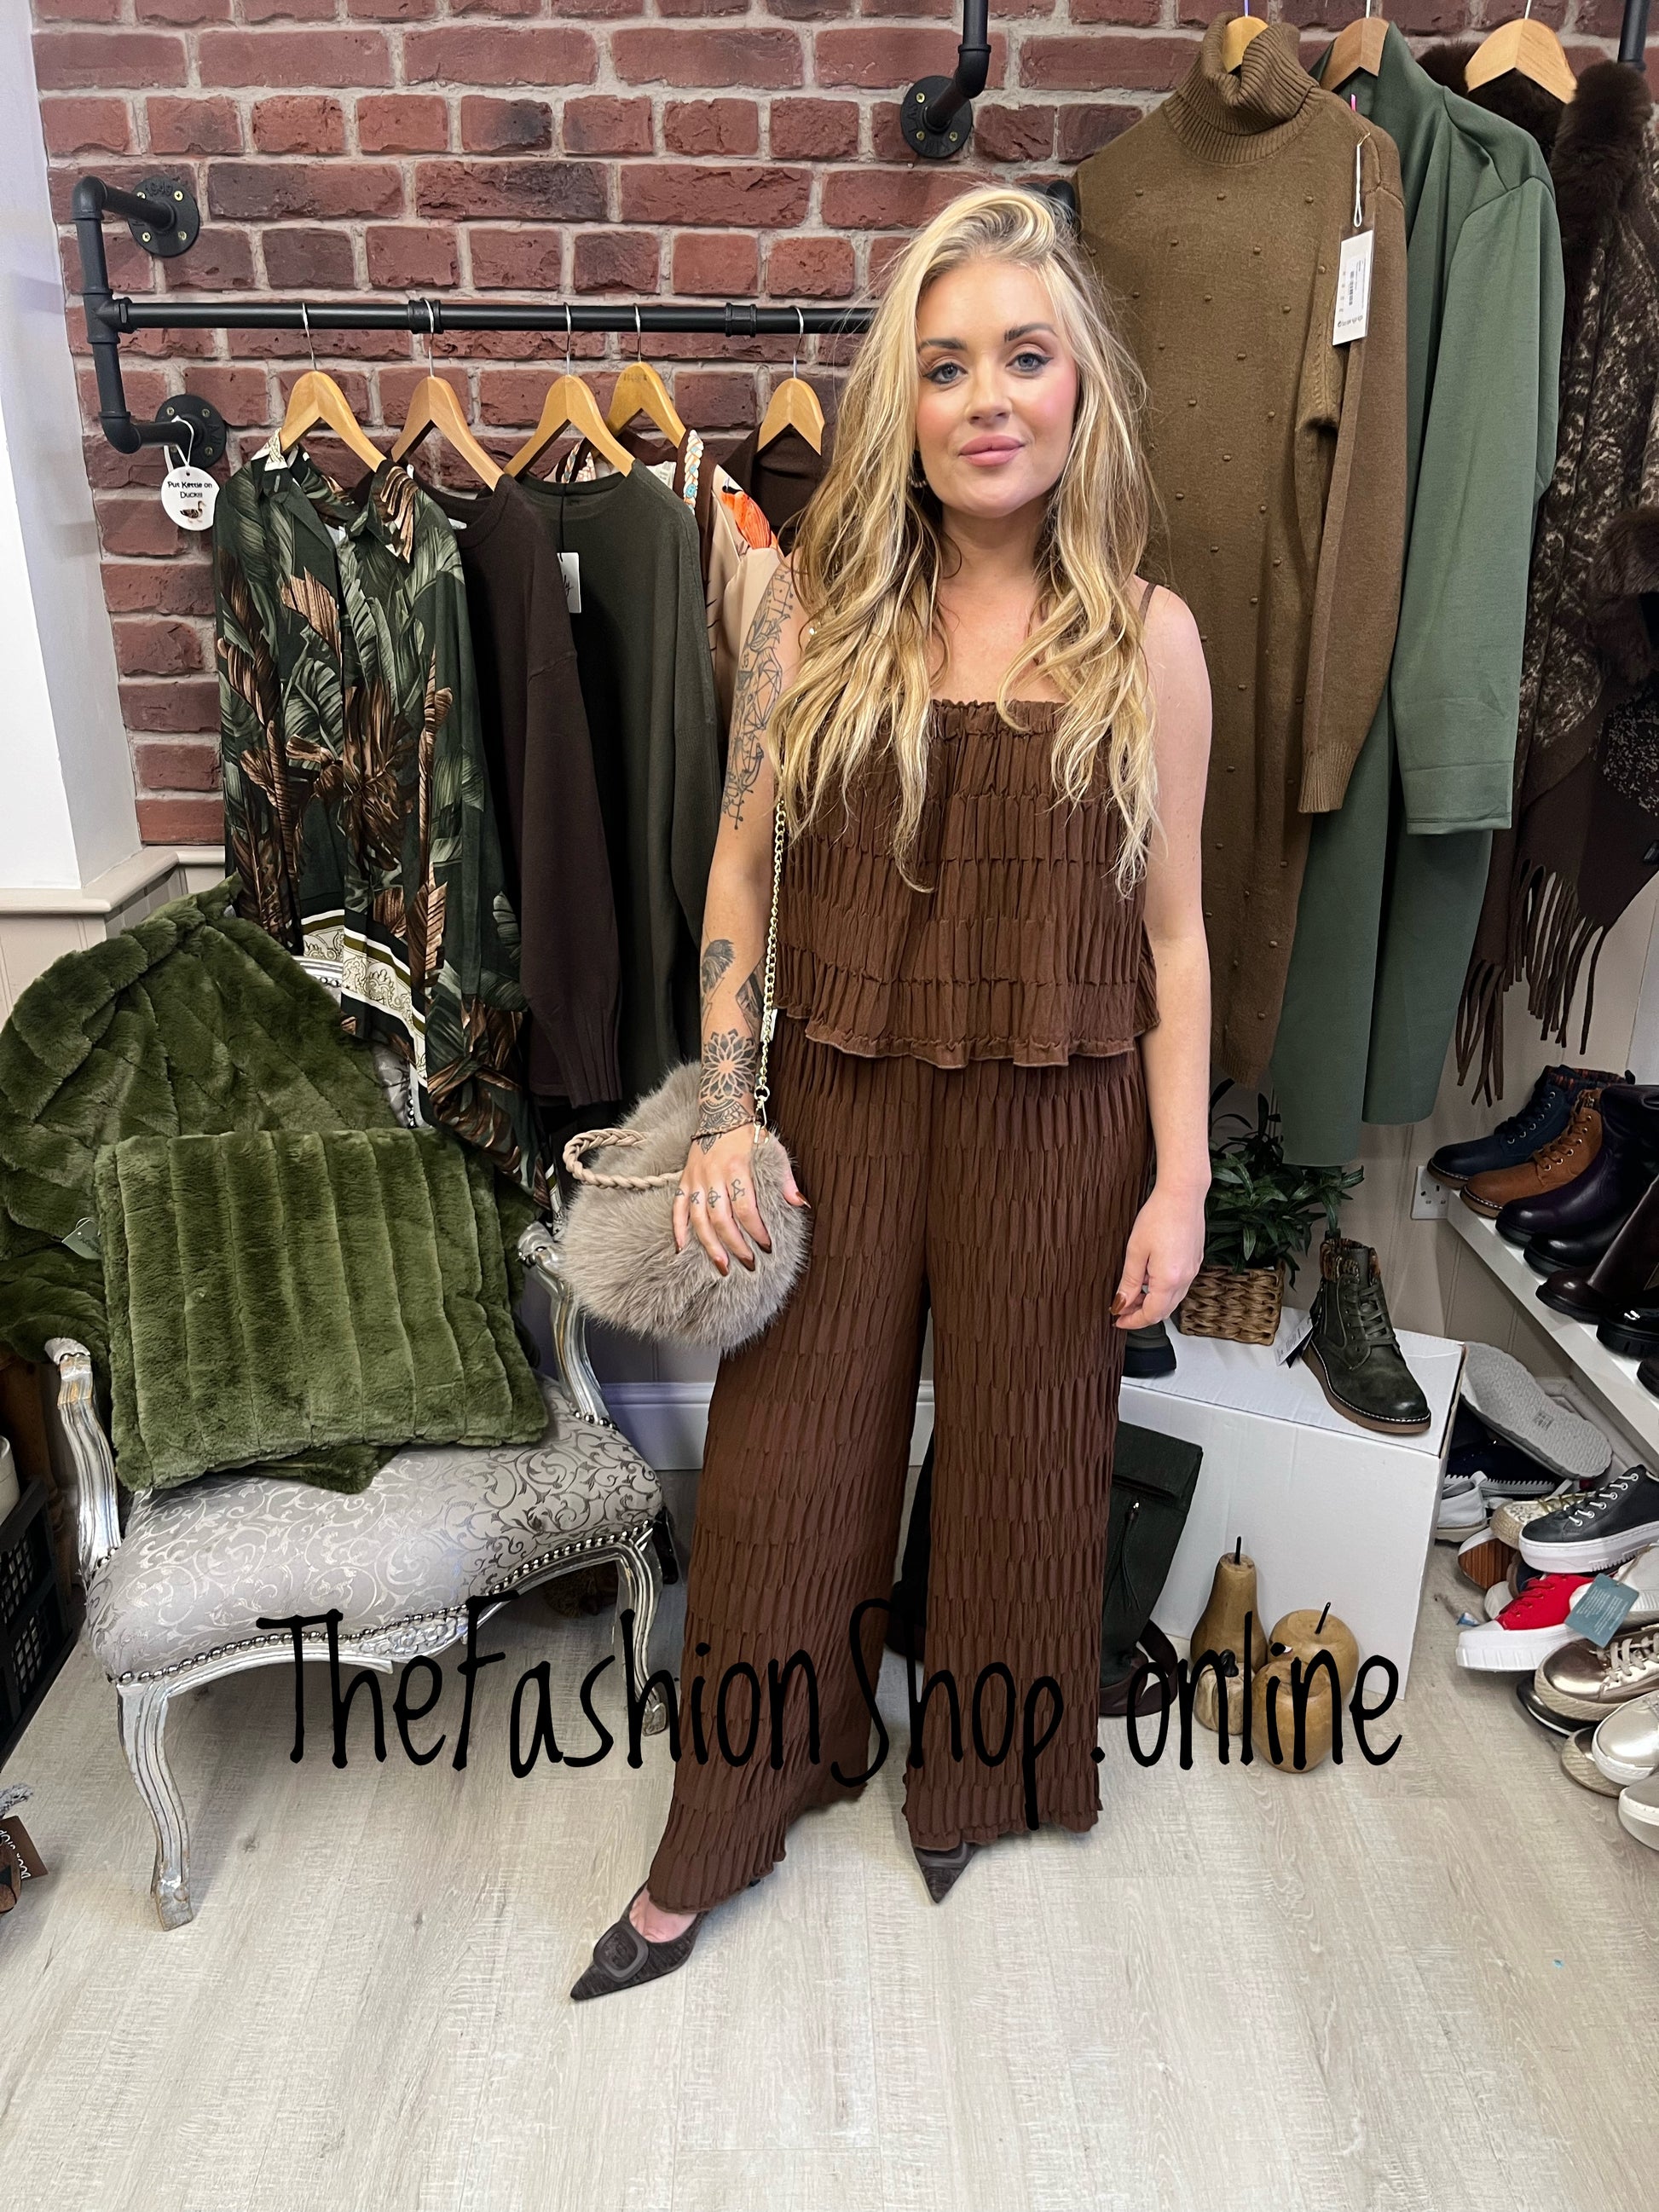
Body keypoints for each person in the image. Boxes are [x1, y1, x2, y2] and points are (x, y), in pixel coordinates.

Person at [571, 184, 1213, 2001]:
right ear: (900, 405)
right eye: (943, 366)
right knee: (784, 1474)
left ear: (1081, 389)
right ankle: (728, 1816)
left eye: (1023, 356)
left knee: (1027, 1462)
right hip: (835, 1109)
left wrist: (1177, 1183)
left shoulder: (1149, 641)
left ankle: (984, 1776)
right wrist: (727, 1107)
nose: (984, 398)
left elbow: (1174, 941)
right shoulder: (811, 613)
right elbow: (737, 876)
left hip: (1062, 1119)